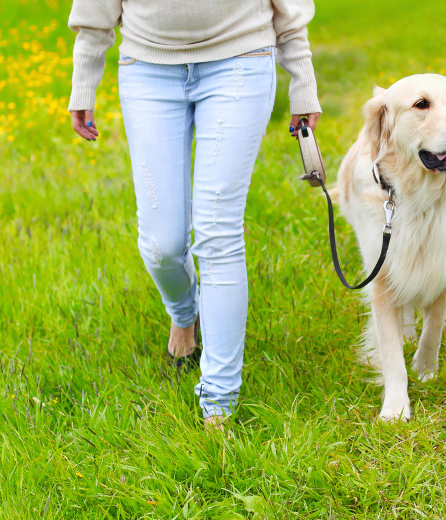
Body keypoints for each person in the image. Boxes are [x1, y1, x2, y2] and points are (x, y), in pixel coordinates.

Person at [67, 0, 321, 427]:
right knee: (160, 244)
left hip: (240, 60)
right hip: (147, 68)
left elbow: (291, 12)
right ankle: (185, 314)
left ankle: (218, 402)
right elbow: (95, 11)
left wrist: (303, 83)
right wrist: (83, 82)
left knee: (218, 231)